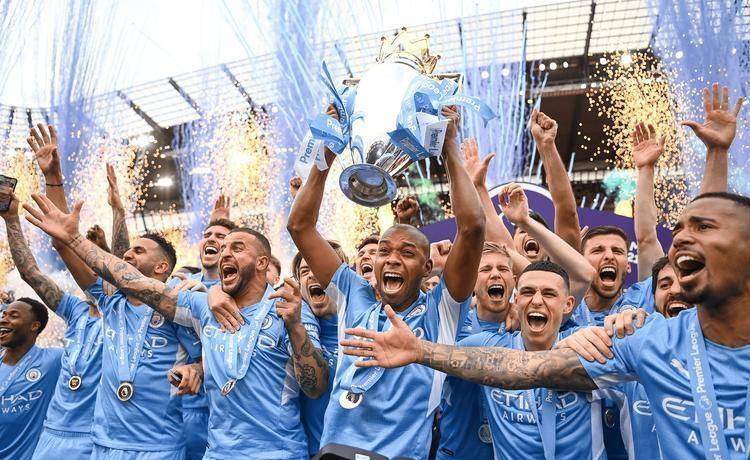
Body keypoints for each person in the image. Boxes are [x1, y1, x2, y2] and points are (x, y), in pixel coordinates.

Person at [340, 188, 750, 459]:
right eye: (679, 229)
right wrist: (421, 350)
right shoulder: (648, 341)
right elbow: (526, 370)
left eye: (703, 227)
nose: (680, 240)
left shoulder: (622, 326)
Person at [23, 193, 329, 458]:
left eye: (236, 248)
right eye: (223, 249)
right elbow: (134, 282)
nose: (225, 253)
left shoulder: (290, 308)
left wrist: (295, 327)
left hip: (276, 452)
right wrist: (74, 240)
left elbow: (315, 388)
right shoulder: (203, 307)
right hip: (217, 452)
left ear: (262, 262)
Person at [287, 105, 485, 458]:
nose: (392, 258)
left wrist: (449, 146)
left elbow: (472, 229)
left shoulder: (442, 310)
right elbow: (300, 227)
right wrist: (326, 153)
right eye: (384, 251)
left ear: (427, 268)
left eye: (407, 253)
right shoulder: (353, 293)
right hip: (336, 452)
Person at [0, 188, 103, 459]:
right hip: (51, 439)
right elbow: (31, 274)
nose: (87, 273)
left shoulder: (127, 317)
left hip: (94, 438)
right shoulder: (76, 310)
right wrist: (11, 220)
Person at [436, 242, 514, 460]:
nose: (495, 274)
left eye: (503, 268)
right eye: (486, 269)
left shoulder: (529, 329)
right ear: (472, 281)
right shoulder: (452, 326)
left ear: (514, 281)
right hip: (457, 454)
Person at [291, 240, 349, 456]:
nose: (312, 275)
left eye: (320, 266)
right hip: (313, 453)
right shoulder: (291, 329)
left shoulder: (367, 326)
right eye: (304, 271)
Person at [0, 297, 62, 460]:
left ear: (34, 326)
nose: (4, 319)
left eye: (13, 316)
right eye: (3, 315)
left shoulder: (53, 361)